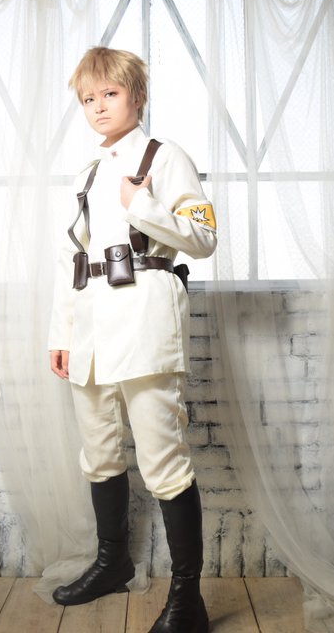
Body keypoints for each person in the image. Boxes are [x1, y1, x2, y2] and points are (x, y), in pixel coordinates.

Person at [48, 46, 217, 633]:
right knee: (98, 454)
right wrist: (61, 331)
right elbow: (72, 259)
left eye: (110, 94)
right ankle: (112, 563)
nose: (98, 107)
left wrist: (141, 204)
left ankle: (187, 600)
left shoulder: (165, 157)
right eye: (87, 99)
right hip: (90, 328)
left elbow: (203, 238)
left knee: (163, 460)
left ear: (136, 96)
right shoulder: (88, 173)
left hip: (145, 322)